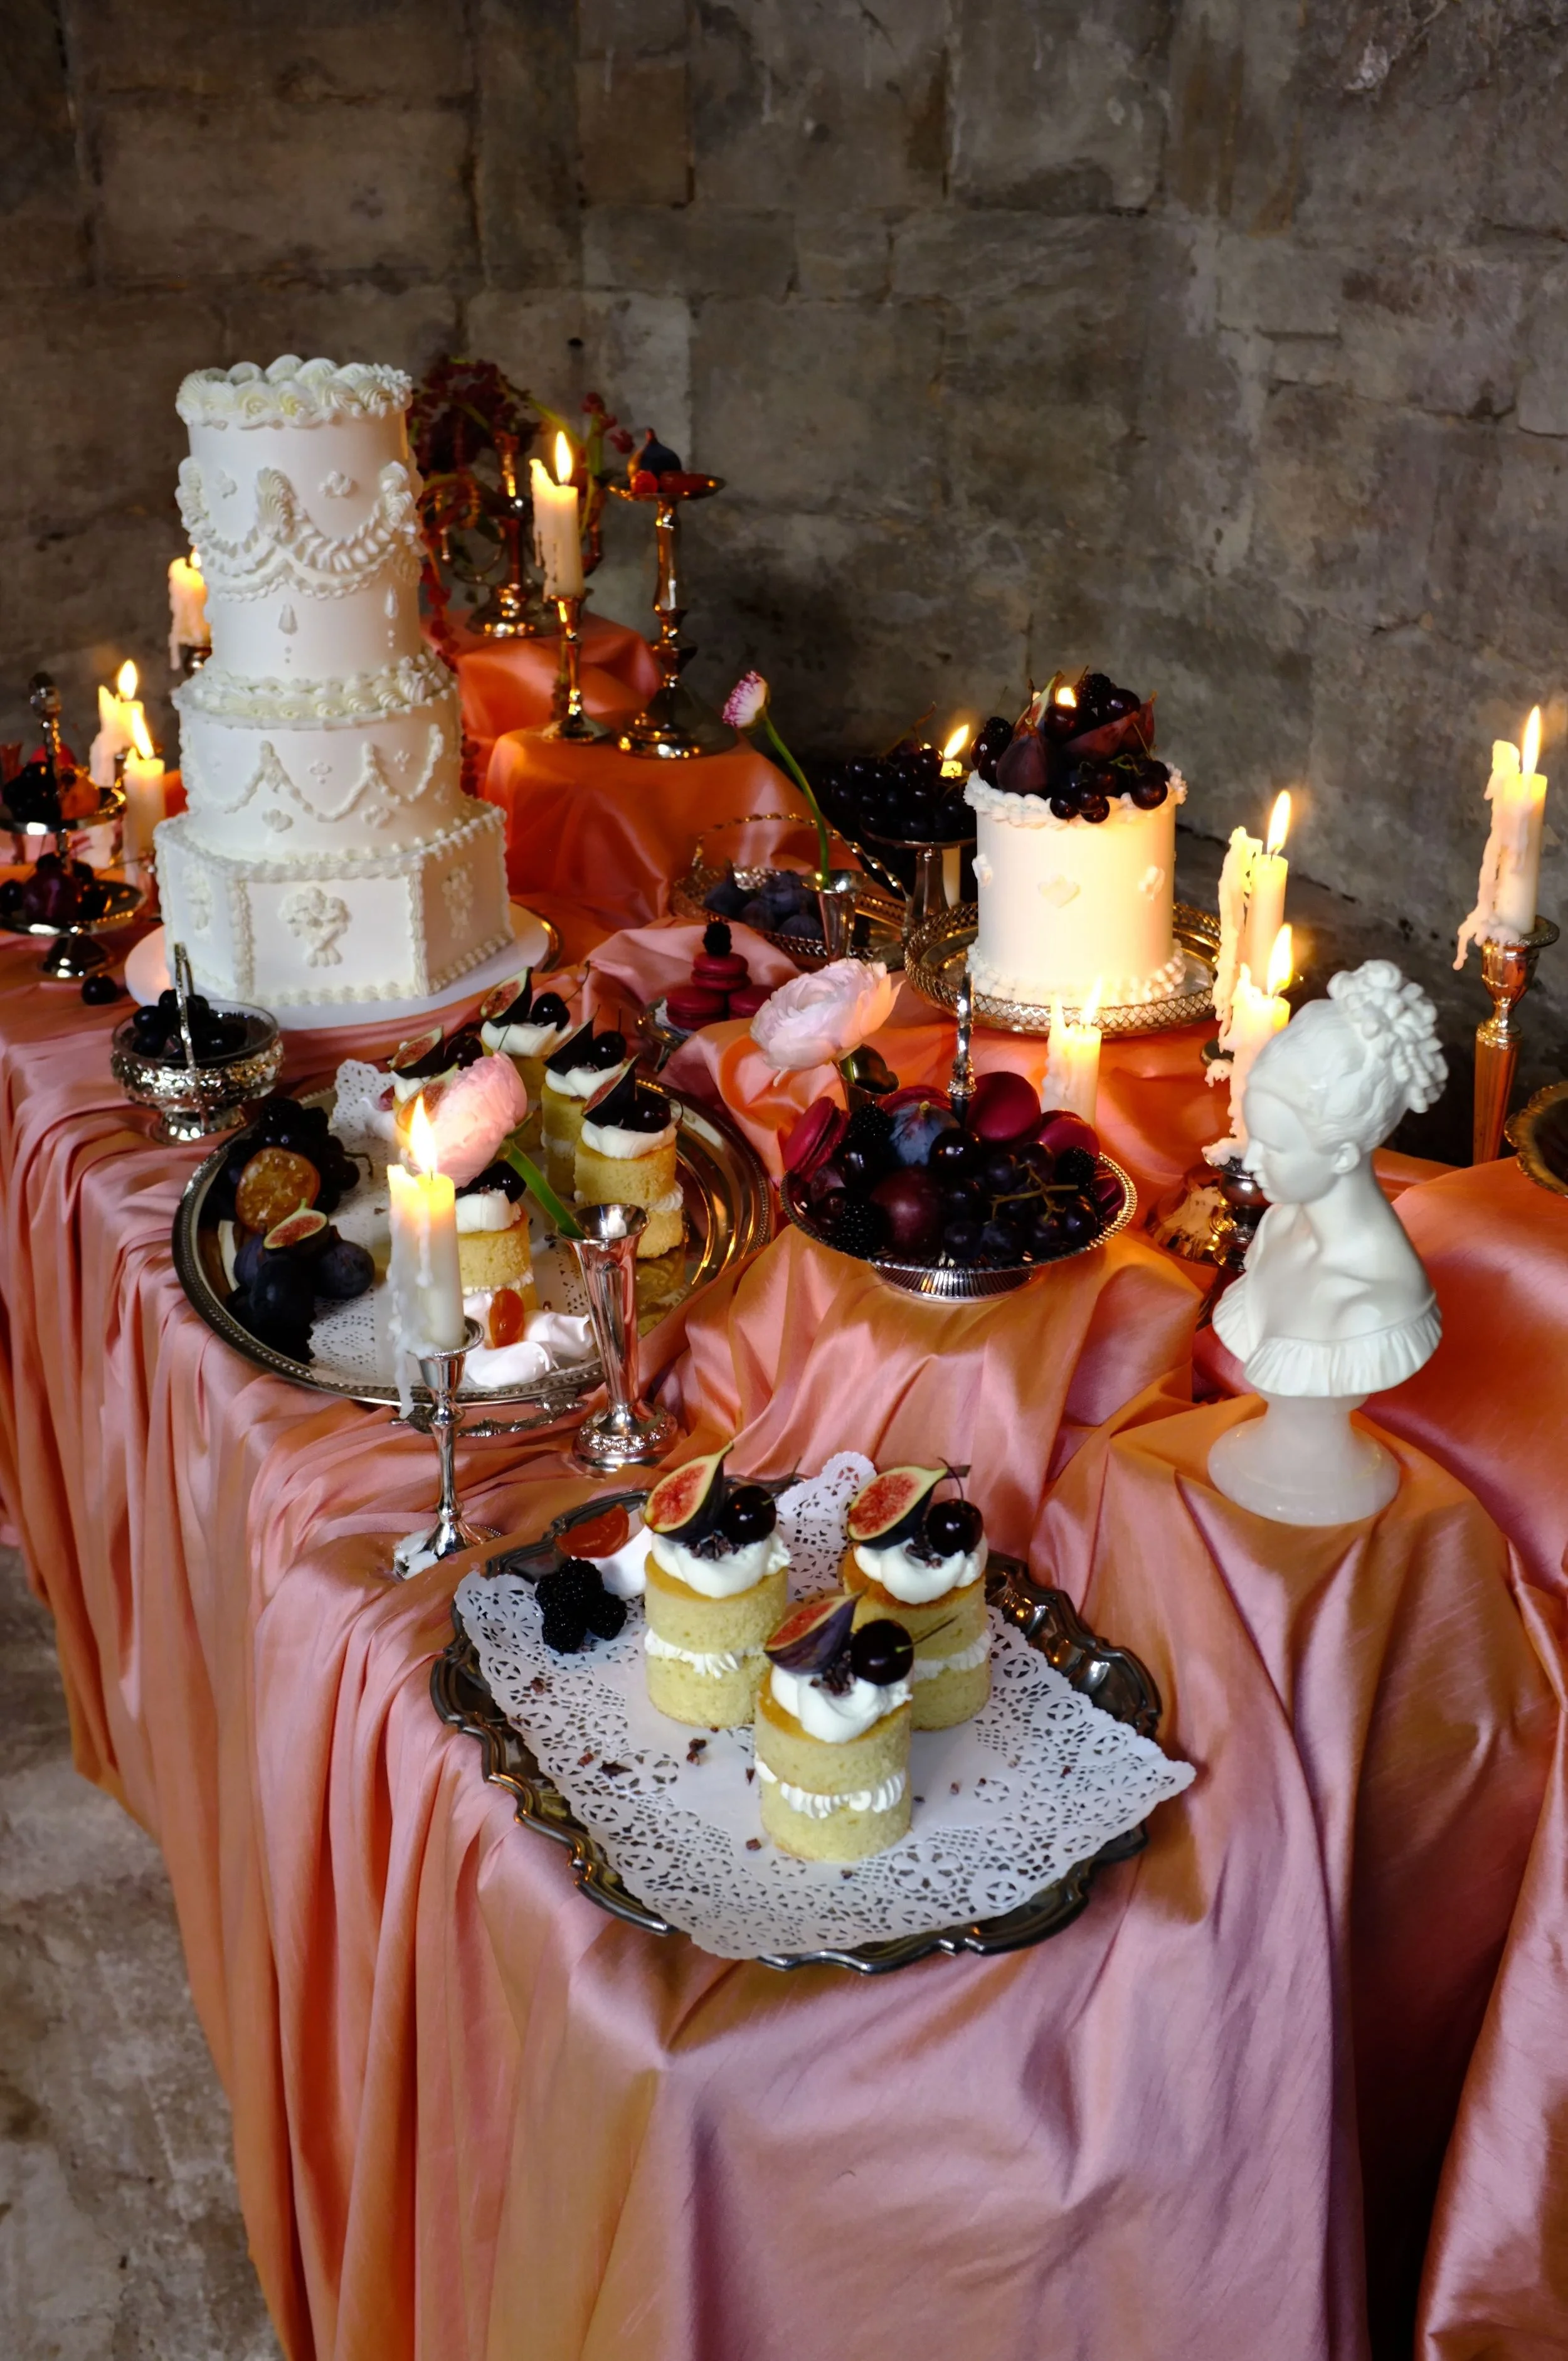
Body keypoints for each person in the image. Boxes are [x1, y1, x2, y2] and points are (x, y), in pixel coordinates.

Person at [1210, 961, 1446, 1522]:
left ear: (1343, 1154)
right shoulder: (1281, 1227)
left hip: (1333, 1489)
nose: (1254, 1161)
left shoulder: (1377, 1300)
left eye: (1276, 1145)